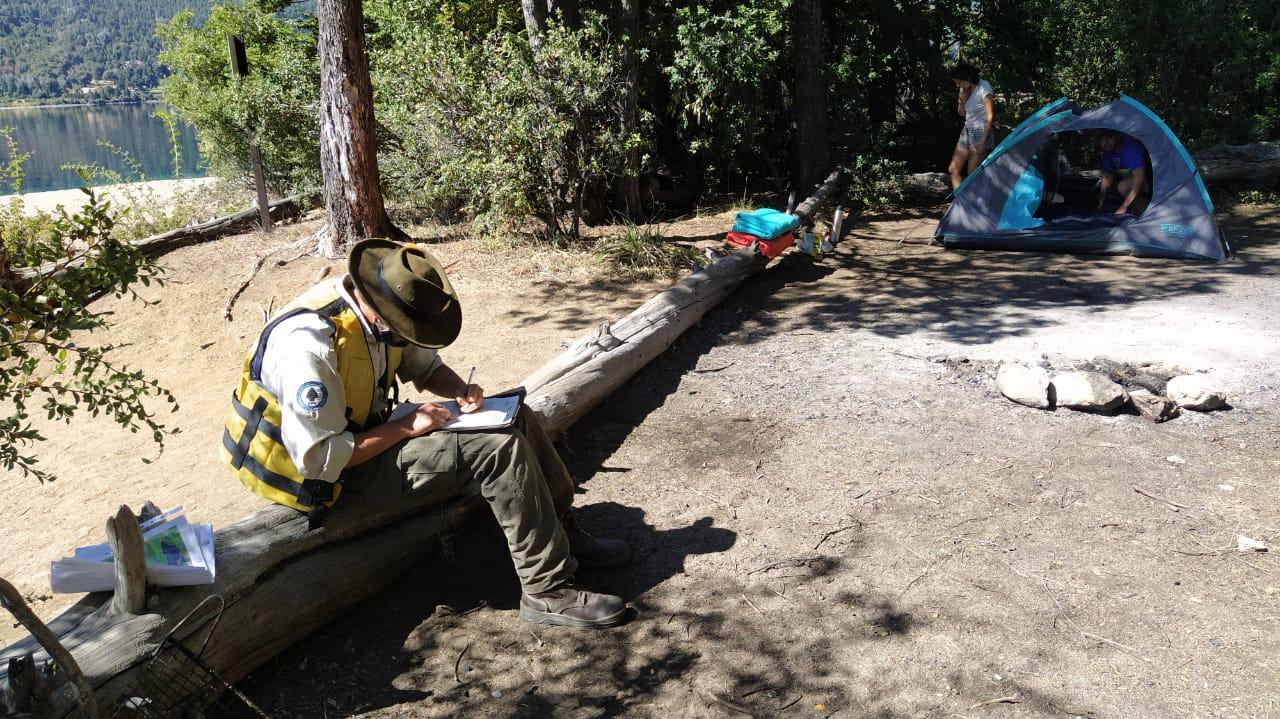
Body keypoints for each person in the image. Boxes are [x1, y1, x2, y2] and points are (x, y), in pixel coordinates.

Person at [221, 238, 632, 628]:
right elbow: (321, 460)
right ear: (382, 311)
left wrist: (460, 391)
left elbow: (424, 366)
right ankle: (547, 590)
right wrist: (405, 427)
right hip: (320, 485)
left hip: (360, 442)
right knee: (496, 449)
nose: (410, 335)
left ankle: (561, 533)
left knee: (516, 415)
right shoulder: (309, 348)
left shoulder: (380, 309)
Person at [947, 61, 996, 190]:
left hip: (980, 132)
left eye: (960, 82)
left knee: (972, 173)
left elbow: (989, 116)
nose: (958, 85)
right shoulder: (966, 90)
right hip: (967, 130)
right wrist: (961, 101)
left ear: (968, 79)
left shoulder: (984, 88)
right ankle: (961, 203)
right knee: (953, 169)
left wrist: (983, 141)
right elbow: (962, 114)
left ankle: (975, 205)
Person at [1095, 130, 1150, 215]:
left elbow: (1140, 176)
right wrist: (1101, 203)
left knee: (1122, 186)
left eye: (1109, 136)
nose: (1106, 142)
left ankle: (1147, 212)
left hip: (1153, 178)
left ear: (1116, 135)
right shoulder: (1108, 154)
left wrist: (1124, 206)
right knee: (1114, 188)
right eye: (1102, 139)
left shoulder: (1129, 147)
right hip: (1133, 178)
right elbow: (1107, 178)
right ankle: (1137, 209)